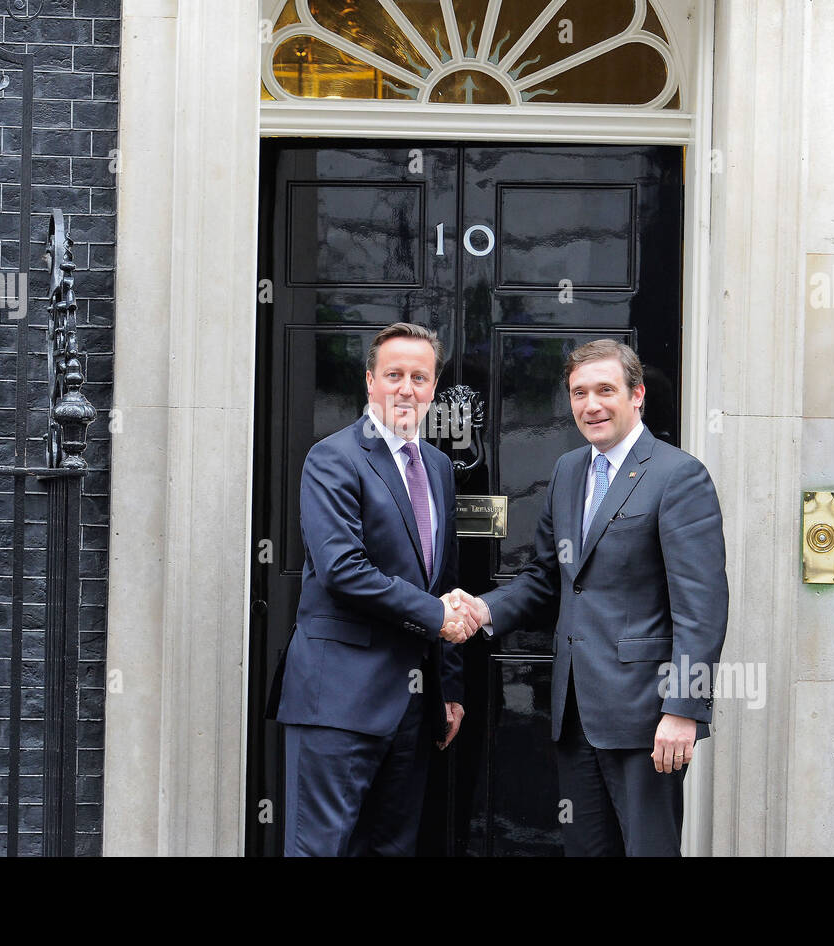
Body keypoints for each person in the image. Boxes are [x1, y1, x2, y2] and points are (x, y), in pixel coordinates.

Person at [449, 340, 727, 856]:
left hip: (647, 718)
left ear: (636, 394)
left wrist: (684, 709)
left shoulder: (677, 476)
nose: (591, 405)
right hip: (575, 714)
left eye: (605, 390)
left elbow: (702, 610)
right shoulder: (568, 471)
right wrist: (485, 610)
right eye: (579, 392)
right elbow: (547, 578)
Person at [273, 323, 481, 856]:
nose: (406, 388)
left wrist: (450, 687)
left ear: (434, 389)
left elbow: (444, 579)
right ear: (370, 382)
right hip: (338, 698)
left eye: (419, 377)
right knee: (320, 848)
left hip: (412, 705)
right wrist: (437, 614)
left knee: (391, 848)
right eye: (394, 375)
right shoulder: (332, 458)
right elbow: (344, 569)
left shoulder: (436, 466)